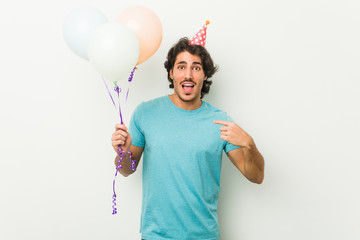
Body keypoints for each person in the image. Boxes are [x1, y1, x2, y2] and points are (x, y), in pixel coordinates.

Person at [111, 35, 264, 239]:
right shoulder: (145, 113)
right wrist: (122, 152)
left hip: (204, 235)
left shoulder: (221, 121)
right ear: (171, 73)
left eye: (196, 68)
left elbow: (256, 176)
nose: (188, 74)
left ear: (204, 76)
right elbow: (126, 170)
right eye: (181, 67)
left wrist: (249, 144)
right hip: (157, 235)